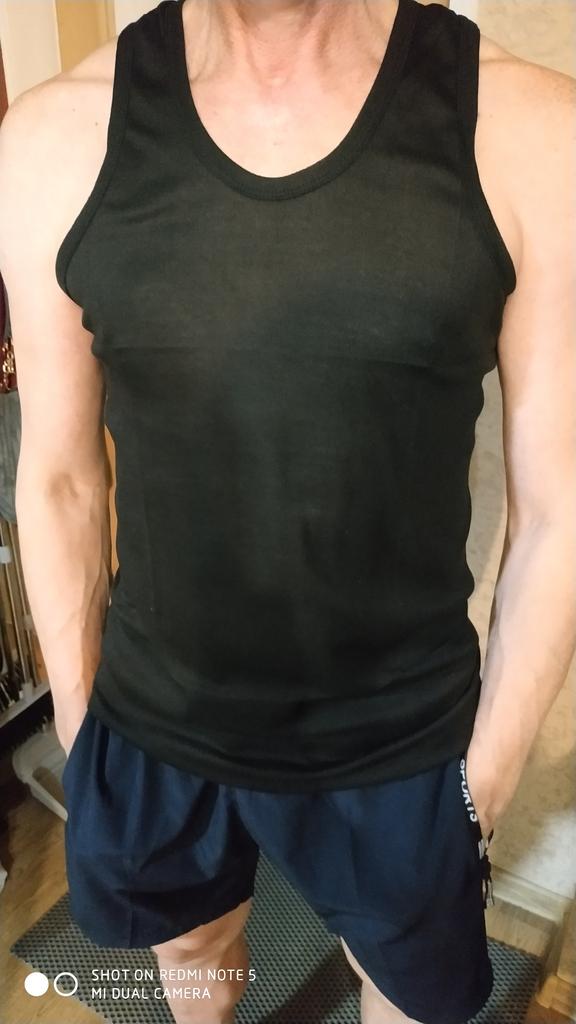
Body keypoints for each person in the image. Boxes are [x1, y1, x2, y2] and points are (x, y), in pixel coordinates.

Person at [0, 0, 574, 1021]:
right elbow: (60, 479)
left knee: (403, 992)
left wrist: (479, 788)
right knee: (195, 955)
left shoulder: (533, 131)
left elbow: (559, 507)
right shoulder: (53, 137)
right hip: (152, 723)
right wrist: (84, 733)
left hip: (402, 745)